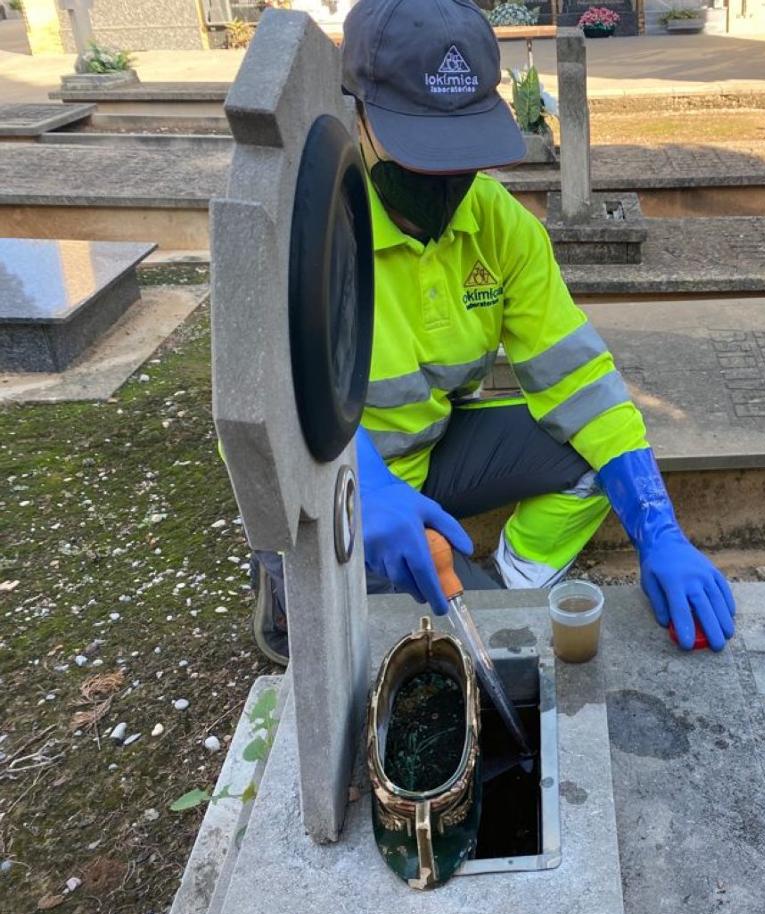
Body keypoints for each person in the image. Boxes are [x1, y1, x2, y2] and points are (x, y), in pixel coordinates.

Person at [251, 0, 734, 666]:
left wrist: (660, 531)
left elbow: (584, 386)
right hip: (333, 482)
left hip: (434, 453)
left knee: (597, 457)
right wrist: (364, 483)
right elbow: (273, 393)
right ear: (357, 113)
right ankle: (286, 592)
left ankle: (513, 585)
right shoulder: (315, 227)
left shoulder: (503, 230)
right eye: (422, 149)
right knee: (358, 646)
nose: (447, 180)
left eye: (461, 153)